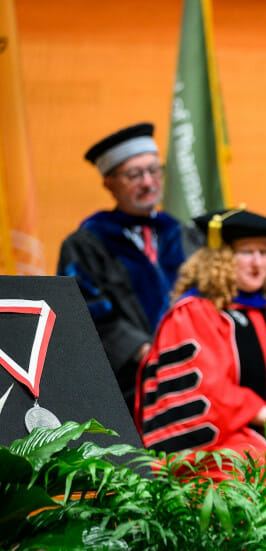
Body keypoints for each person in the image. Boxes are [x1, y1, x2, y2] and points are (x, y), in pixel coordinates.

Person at [135, 208, 266, 511]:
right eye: (246, 252)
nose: (258, 262)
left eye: (264, 252)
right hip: (226, 437)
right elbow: (206, 390)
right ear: (220, 259)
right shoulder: (196, 313)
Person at [57, 122, 186, 408]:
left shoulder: (182, 234)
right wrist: (144, 351)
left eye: (154, 170)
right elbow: (86, 312)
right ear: (109, 182)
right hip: (128, 384)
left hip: (191, 373)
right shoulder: (86, 244)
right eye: (134, 175)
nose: (148, 182)